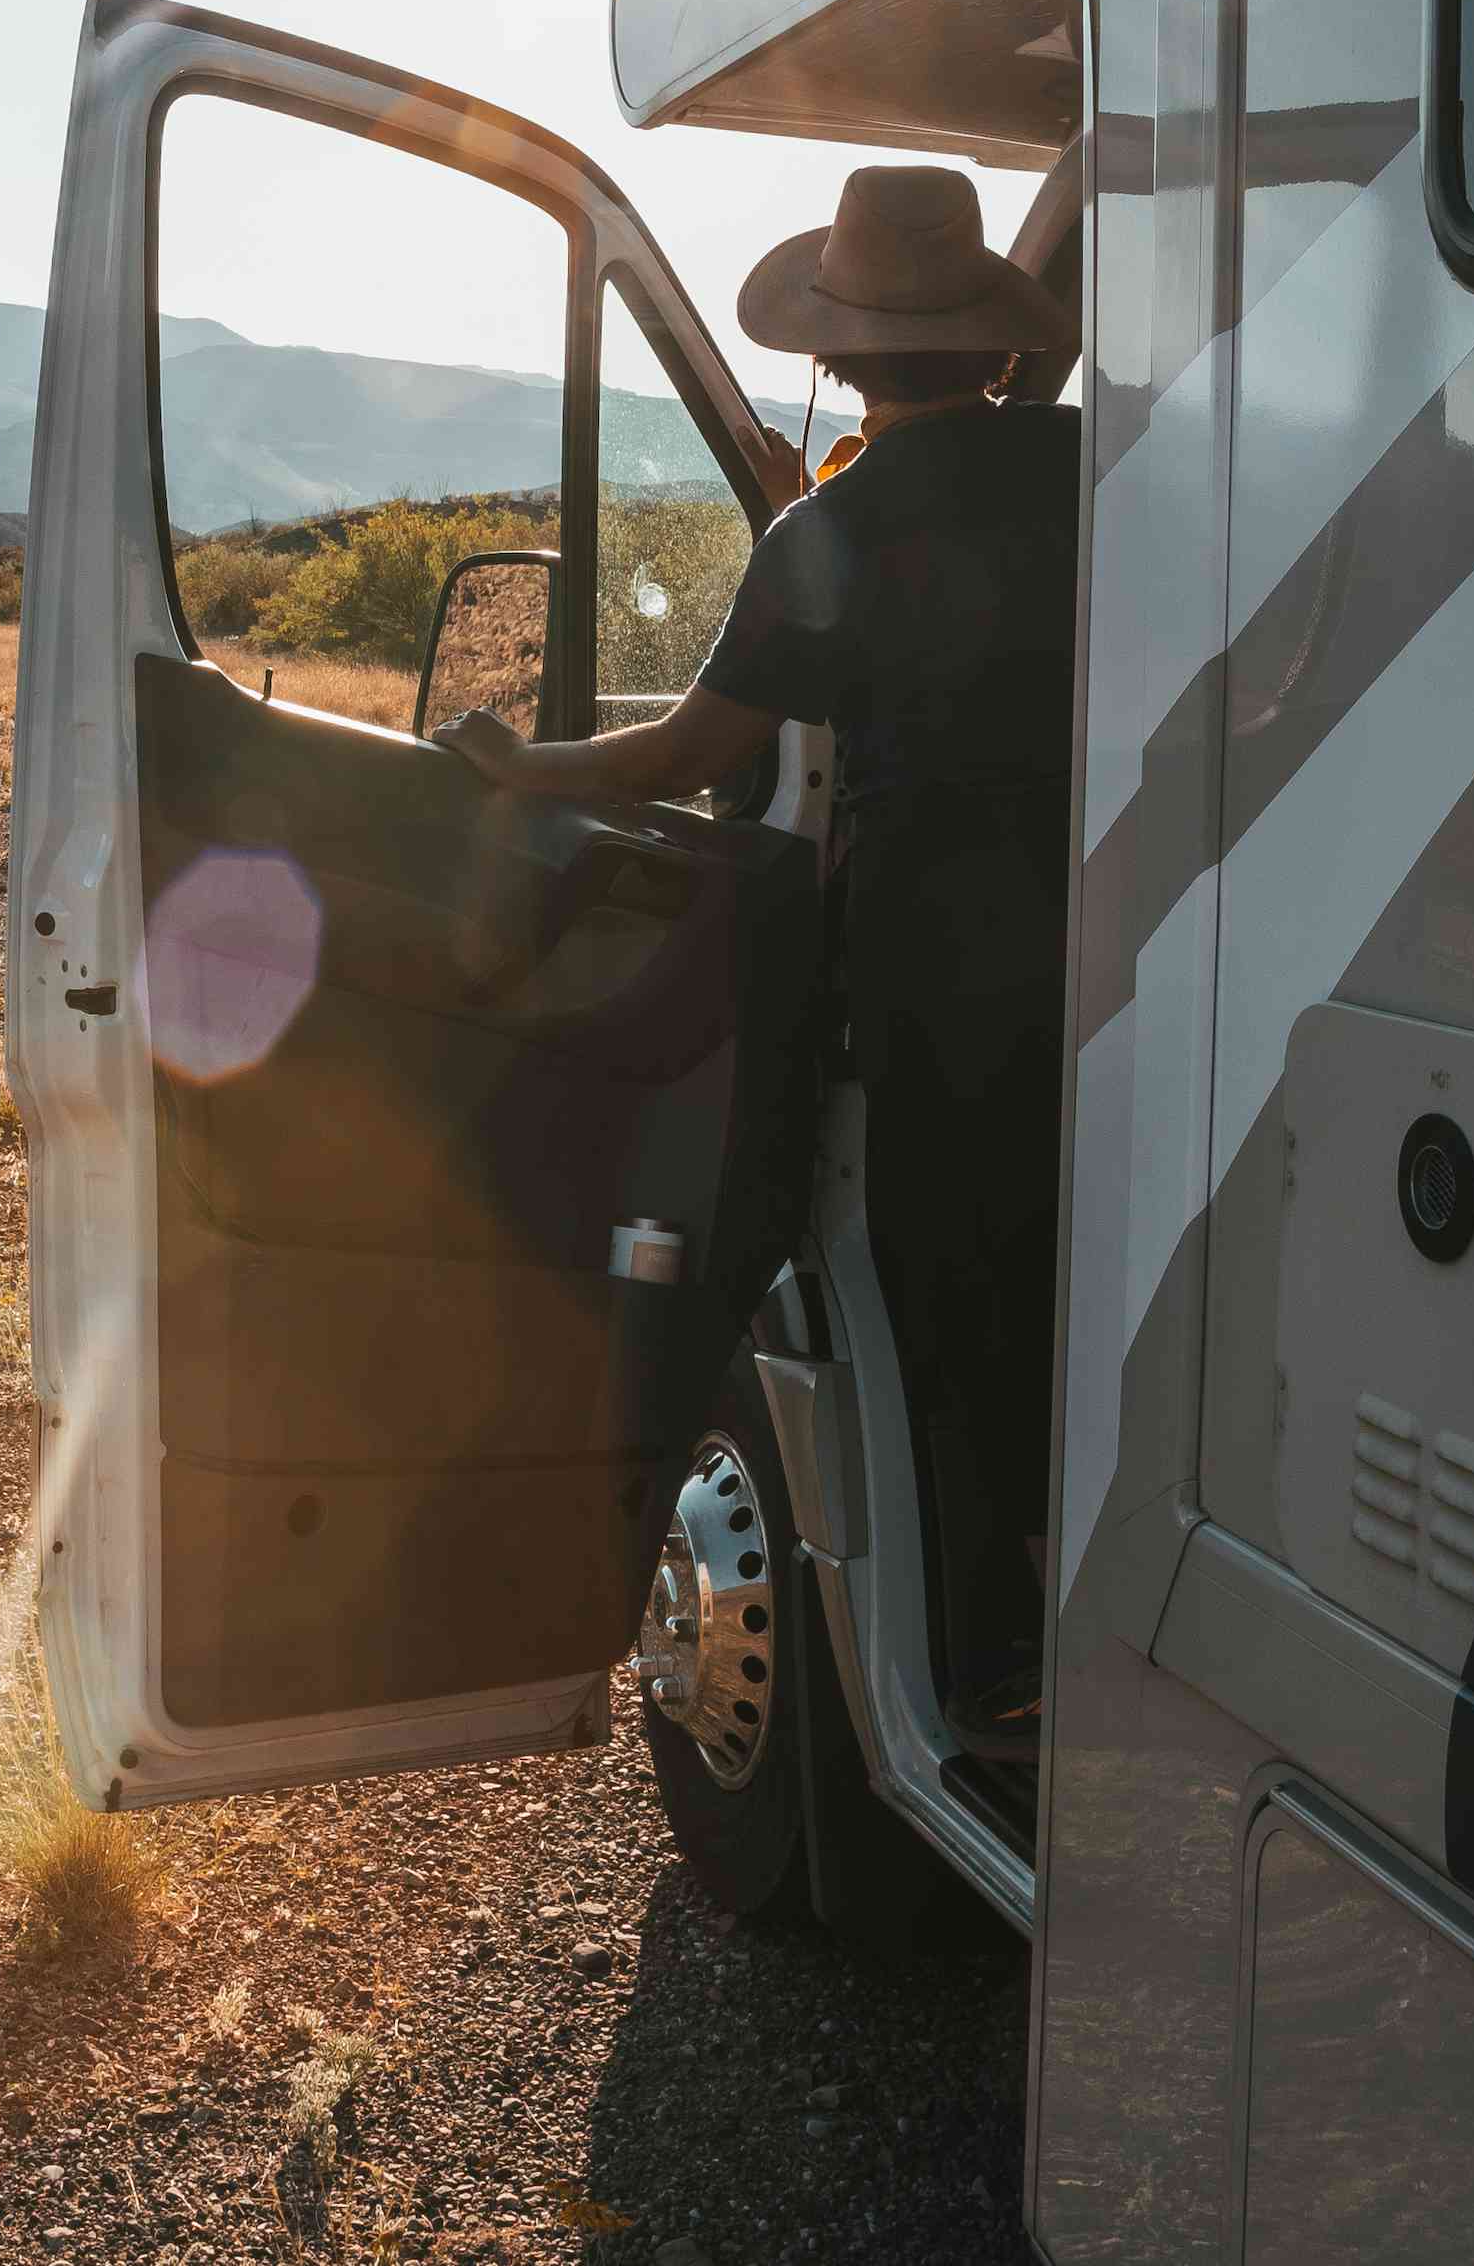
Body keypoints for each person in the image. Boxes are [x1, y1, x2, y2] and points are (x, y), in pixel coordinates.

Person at [435, 161, 1079, 1761]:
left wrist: (526, 771)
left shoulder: (827, 531)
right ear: (994, 343)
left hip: (934, 976)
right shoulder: (1090, 468)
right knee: (1075, 1274)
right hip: (1110, 938)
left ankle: (997, 1669)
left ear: (842, 354)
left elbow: (689, 753)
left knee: (946, 1297)